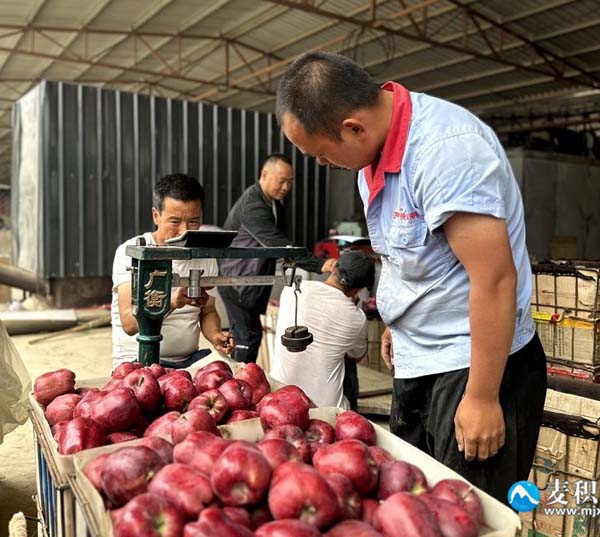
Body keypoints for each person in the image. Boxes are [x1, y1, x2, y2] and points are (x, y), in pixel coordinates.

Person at [276, 51, 547, 503]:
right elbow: (408, 254)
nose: (322, 164)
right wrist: (399, 320)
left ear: (354, 128)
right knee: (410, 503)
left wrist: (483, 397)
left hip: (472, 362)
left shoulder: (446, 151)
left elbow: (497, 279)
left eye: (321, 154)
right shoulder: (371, 160)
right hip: (421, 359)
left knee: (461, 512)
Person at [219, 153, 336, 364]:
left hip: (251, 281)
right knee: (248, 337)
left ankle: (241, 378)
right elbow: (278, 245)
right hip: (237, 282)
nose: (285, 187)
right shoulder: (253, 207)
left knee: (250, 335)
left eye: (290, 182)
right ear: (264, 174)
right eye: (281, 181)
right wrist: (318, 264)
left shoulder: (273, 204)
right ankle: (239, 381)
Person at [111, 174, 233, 370]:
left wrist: (216, 335)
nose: (184, 231)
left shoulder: (204, 255)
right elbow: (129, 324)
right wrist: (172, 302)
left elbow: (208, 310)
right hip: (137, 362)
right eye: (175, 221)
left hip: (189, 361)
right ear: (156, 216)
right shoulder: (132, 252)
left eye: (193, 222)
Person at [271, 250, 374, 409]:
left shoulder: (291, 290)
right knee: (347, 359)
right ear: (358, 290)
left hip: (278, 398)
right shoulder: (356, 317)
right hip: (326, 411)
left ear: (333, 267)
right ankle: (350, 415)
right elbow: (357, 356)